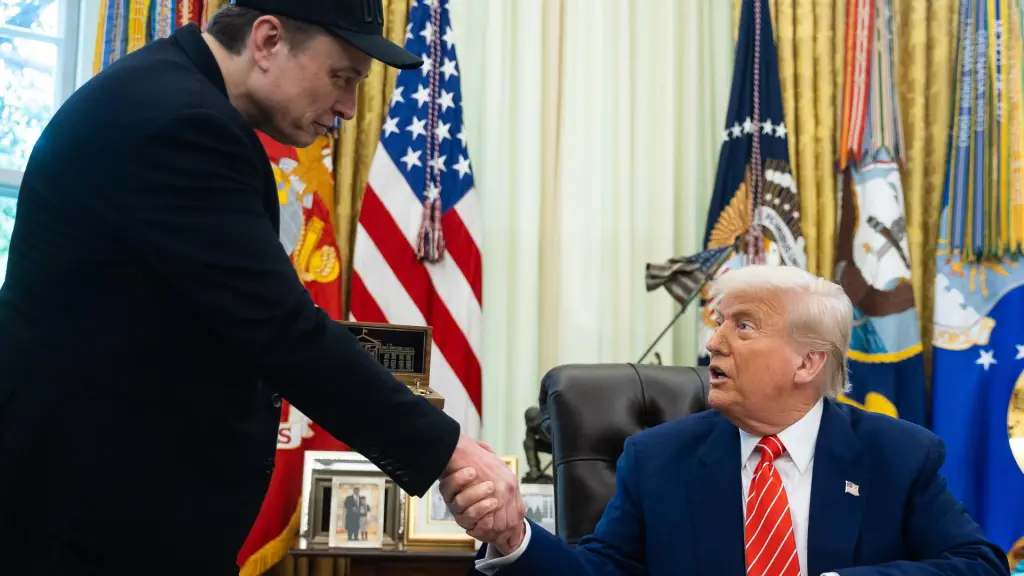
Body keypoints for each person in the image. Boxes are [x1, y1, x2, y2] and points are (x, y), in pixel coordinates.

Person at [0, 1, 520, 574]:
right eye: (341, 78)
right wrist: (448, 451)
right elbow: (279, 330)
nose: (348, 108)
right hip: (93, 528)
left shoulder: (168, 94)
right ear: (268, 40)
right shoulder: (183, 125)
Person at [444, 265, 1010, 576]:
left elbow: (978, 565)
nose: (713, 343)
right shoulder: (657, 458)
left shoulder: (898, 455)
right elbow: (600, 573)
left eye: (742, 327)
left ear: (808, 362)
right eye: (718, 324)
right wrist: (513, 538)